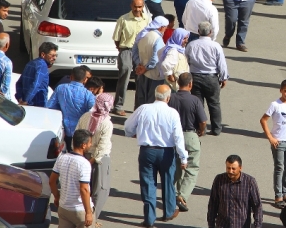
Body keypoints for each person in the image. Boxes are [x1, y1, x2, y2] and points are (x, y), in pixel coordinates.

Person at [124, 84, 187, 226]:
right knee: (168, 182)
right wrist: (183, 157)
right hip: (167, 152)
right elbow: (178, 137)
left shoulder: (143, 109)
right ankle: (169, 212)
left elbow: (128, 126)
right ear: (168, 98)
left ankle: (149, 218)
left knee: (148, 184)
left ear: (155, 95)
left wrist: (133, 134)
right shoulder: (172, 113)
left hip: (147, 151)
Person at [167, 73, 206, 212]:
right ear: (190, 84)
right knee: (192, 168)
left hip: (173, 136)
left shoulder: (170, 98)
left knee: (177, 167)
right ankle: (182, 196)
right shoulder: (195, 100)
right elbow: (203, 121)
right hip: (190, 135)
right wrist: (202, 131)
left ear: (178, 83)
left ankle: (174, 194)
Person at [186, 21, 229, 136]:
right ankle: (216, 129)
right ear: (210, 32)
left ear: (198, 31)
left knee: (197, 104)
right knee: (214, 103)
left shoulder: (191, 45)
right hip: (211, 78)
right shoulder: (216, 46)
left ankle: (200, 128)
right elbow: (222, 64)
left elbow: (186, 62)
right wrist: (224, 78)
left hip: (195, 77)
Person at [260, 80, 286, 208]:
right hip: (279, 141)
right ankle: (278, 196)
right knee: (279, 168)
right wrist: (270, 137)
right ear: (281, 90)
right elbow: (263, 120)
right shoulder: (275, 105)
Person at [75, 93, 114, 219]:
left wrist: (80, 157)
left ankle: (81, 214)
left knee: (82, 187)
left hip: (82, 155)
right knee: (100, 189)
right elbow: (102, 147)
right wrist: (91, 161)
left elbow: (77, 136)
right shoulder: (106, 123)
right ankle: (93, 217)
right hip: (98, 160)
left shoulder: (85, 116)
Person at [111, 0, 150, 116]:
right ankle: (118, 106)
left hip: (140, 52)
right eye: (135, 6)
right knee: (125, 73)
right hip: (126, 49)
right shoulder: (123, 19)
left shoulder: (147, 20)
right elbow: (117, 39)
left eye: (140, 7)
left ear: (143, 6)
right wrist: (122, 50)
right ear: (131, 6)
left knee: (140, 79)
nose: (137, 9)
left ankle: (138, 108)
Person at [49, 129, 95, 228]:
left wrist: (57, 197)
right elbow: (84, 189)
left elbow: (52, 181)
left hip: (64, 209)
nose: (90, 145)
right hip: (79, 210)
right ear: (83, 145)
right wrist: (88, 212)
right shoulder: (84, 164)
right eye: (90, 143)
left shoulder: (62, 158)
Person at [207, 155, 263, 228]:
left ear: (240, 168)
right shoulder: (219, 180)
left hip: (241, 225)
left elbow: (257, 206)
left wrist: (257, 225)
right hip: (222, 225)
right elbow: (213, 204)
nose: (230, 171)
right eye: (228, 168)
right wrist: (211, 225)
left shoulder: (250, 182)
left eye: (233, 168)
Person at [47, 66, 96, 150]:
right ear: (85, 79)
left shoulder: (61, 88)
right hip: (82, 132)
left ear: (71, 77)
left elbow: (49, 106)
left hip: (65, 130)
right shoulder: (88, 94)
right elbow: (94, 111)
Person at [131, 16, 169, 108]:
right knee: (152, 101)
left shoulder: (143, 34)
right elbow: (156, 58)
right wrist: (146, 68)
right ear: (161, 27)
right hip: (154, 75)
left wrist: (139, 65)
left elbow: (134, 51)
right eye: (165, 27)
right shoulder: (157, 39)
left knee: (142, 99)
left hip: (143, 73)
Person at [15, 42, 58, 107]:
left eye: (56, 55)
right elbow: (36, 84)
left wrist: (20, 98)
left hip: (26, 104)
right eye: (52, 55)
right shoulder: (42, 65)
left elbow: (19, 83)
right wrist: (26, 101)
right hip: (38, 105)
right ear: (43, 54)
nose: (54, 58)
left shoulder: (30, 63)